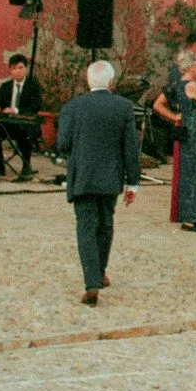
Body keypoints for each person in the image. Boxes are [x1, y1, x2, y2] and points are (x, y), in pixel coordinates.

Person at [56, 60, 139, 306]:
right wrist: (133, 182)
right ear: (111, 82)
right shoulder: (124, 107)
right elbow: (131, 148)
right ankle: (100, 272)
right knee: (105, 224)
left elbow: (62, 144)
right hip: (110, 178)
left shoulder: (72, 106)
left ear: (88, 80)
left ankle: (91, 282)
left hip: (83, 177)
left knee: (86, 228)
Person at [153, 49, 196, 231]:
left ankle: (190, 215)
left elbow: (158, 104)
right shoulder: (192, 86)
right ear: (190, 67)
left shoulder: (176, 84)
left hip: (187, 129)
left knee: (189, 171)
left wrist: (175, 117)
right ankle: (193, 216)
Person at [0, 52, 43, 181]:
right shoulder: (5, 86)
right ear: (10, 70)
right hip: (9, 124)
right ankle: (0, 165)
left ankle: (26, 165)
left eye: (20, 68)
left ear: (25, 69)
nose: (17, 71)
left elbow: (35, 107)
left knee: (24, 131)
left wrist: (16, 110)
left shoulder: (33, 87)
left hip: (26, 124)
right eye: (14, 68)